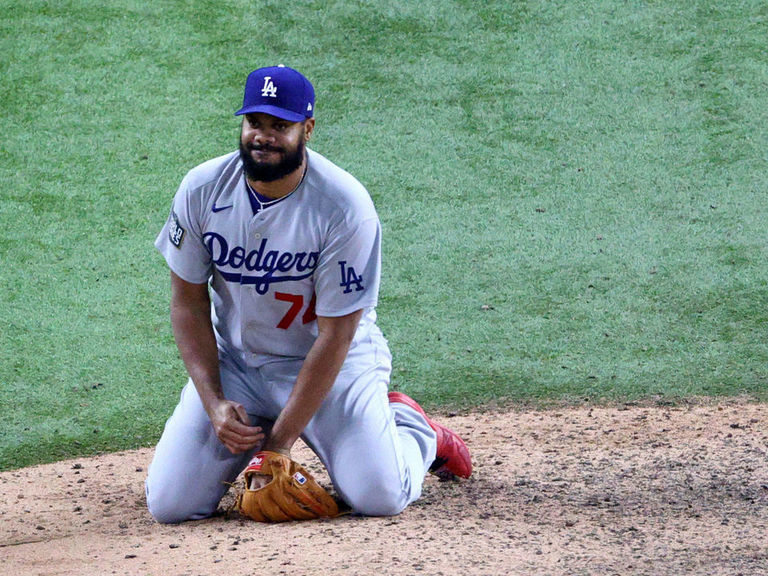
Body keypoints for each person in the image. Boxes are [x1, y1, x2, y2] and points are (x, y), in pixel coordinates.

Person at [145, 65, 471, 523]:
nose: (264, 136)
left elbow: (337, 335)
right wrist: (215, 401)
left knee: (378, 496)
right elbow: (188, 303)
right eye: (255, 122)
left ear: (308, 129)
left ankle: (416, 431)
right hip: (239, 366)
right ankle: (248, 423)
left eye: (280, 125)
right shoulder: (201, 189)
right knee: (170, 505)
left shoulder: (344, 207)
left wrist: (276, 448)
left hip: (332, 367)